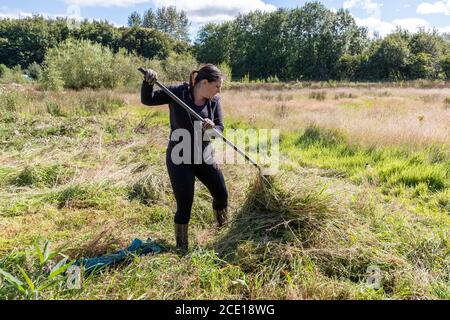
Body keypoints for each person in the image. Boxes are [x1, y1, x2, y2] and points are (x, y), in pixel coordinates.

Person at [140, 64, 228, 253]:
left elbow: (220, 129)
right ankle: (182, 248)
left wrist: (212, 128)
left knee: (221, 194)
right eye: (217, 86)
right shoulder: (178, 92)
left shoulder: (214, 102)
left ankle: (224, 233)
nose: (219, 91)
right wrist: (148, 83)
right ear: (204, 82)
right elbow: (148, 100)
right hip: (179, 157)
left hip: (204, 155)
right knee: (185, 204)